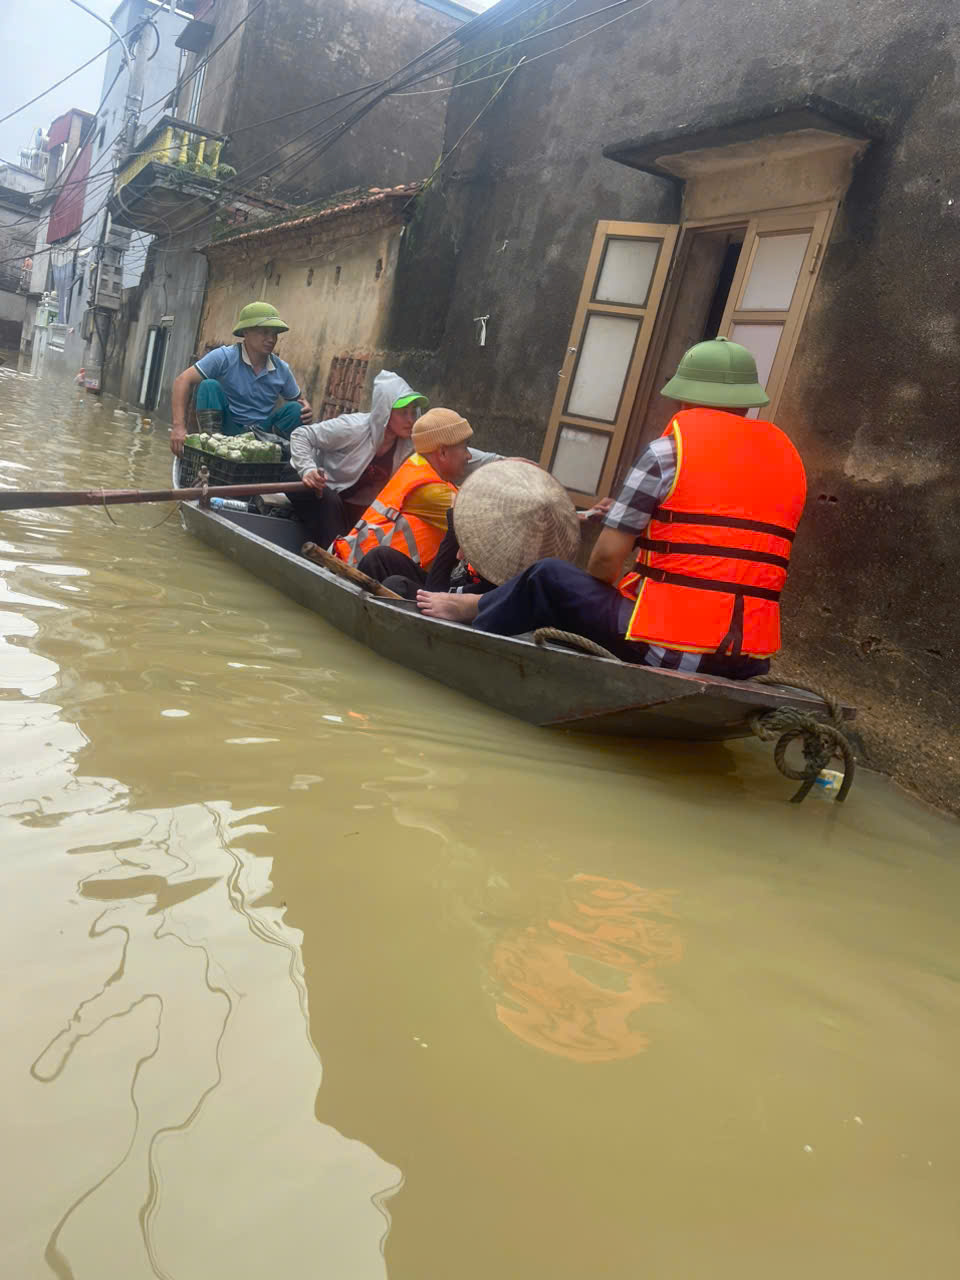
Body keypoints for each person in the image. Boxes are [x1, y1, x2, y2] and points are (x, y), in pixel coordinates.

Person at [418, 338, 807, 681]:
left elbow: (605, 560)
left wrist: (589, 610)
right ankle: (481, 605)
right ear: (745, 404)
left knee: (548, 577)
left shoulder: (668, 453)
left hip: (666, 648)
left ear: (686, 398)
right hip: (749, 661)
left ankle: (474, 611)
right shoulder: (790, 464)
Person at [384, 458, 580, 601]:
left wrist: (454, 528)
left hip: (461, 603)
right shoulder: (503, 527)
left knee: (396, 585)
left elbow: (435, 593)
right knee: (382, 557)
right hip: (454, 585)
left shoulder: (514, 559)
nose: (468, 455)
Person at [331, 408, 475, 572]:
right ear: (442, 452)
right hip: (360, 572)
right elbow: (483, 523)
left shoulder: (420, 465)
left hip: (361, 564)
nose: (469, 456)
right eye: (465, 448)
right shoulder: (431, 493)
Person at [168, 302, 312, 456]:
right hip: (227, 428)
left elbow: (300, 401)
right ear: (246, 333)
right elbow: (182, 381)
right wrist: (178, 427)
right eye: (264, 332)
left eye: (274, 334)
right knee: (208, 386)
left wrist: (306, 408)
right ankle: (212, 452)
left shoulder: (282, 369)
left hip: (261, 434)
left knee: (296, 410)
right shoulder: (224, 357)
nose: (271, 339)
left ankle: (272, 455)